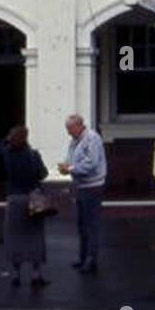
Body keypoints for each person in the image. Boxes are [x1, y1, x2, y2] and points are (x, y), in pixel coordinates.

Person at [0, 125, 49, 287]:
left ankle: (16, 275)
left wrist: (8, 138)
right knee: (35, 236)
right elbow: (44, 174)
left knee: (15, 238)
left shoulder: (7, 155)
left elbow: (0, 147)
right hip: (33, 199)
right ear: (26, 138)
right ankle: (36, 275)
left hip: (14, 199)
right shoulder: (34, 155)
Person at [58, 113, 106, 273]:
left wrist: (70, 169)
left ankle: (91, 260)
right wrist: (67, 165)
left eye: (70, 128)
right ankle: (83, 257)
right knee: (82, 224)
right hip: (81, 186)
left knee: (91, 225)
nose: (68, 132)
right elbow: (74, 159)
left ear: (79, 126)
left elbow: (91, 163)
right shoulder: (75, 140)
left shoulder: (92, 138)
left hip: (92, 186)